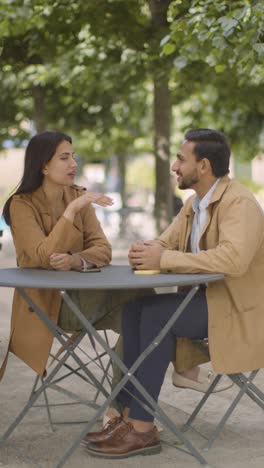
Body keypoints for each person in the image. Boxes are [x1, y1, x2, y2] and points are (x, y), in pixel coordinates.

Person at [83, 128, 264, 459]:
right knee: (135, 307)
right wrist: (148, 249)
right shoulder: (194, 205)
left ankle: (141, 429)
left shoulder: (240, 203)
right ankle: (125, 417)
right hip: (210, 303)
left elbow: (234, 260)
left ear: (204, 165)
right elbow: (165, 243)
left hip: (240, 311)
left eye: (181, 159)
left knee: (156, 314)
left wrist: (164, 259)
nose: (175, 166)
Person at [0, 131, 151, 381]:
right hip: (48, 308)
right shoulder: (21, 205)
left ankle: (117, 408)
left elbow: (104, 249)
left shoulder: (78, 196)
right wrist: (71, 210)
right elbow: (43, 255)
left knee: (146, 314)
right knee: (139, 300)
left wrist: (74, 260)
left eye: (73, 156)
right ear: (44, 166)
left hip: (85, 299)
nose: (74, 164)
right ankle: (181, 368)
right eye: (64, 158)